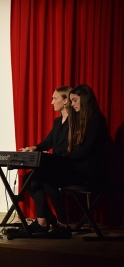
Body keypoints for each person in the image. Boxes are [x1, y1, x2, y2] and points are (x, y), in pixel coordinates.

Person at [42, 84, 109, 238]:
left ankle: (63, 225)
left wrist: (63, 158)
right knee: (45, 176)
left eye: (75, 100)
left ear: (84, 99)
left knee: (50, 179)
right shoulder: (79, 119)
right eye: (71, 101)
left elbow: (87, 149)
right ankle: (57, 222)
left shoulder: (97, 119)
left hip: (91, 172)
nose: (72, 104)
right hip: (78, 168)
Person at [19, 85, 72, 233]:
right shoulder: (57, 121)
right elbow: (48, 142)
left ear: (66, 100)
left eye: (55, 98)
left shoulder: (75, 121)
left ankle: (62, 222)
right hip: (56, 164)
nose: (52, 102)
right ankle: (43, 219)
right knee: (29, 179)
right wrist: (34, 148)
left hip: (69, 165)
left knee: (48, 180)